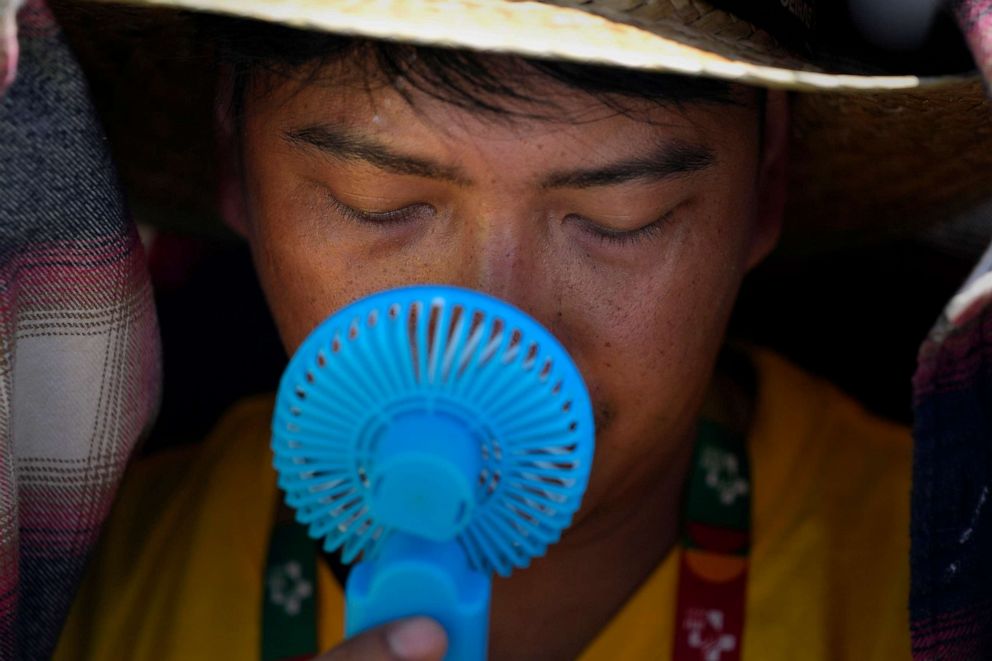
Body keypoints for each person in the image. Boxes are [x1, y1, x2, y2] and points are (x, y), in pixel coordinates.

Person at [35, 1, 992, 660]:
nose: (498, 331)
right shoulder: (77, 597)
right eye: (379, 203)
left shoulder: (948, 581)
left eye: (623, 217)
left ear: (764, 186)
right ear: (233, 161)